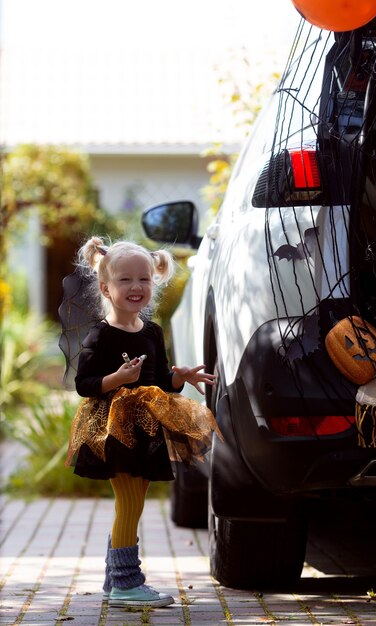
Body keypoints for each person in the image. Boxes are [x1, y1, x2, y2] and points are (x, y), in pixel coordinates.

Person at [61, 235, 219, 609]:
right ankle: (126, 584)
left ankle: (113, 578)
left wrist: (179, 378)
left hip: (146, 427)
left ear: (154, 281)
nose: (136, 287)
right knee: (129, 501)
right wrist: (118, 379)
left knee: (134, 500)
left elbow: (159, 379)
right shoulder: (100, 334)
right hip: (114, 427)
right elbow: (84, 384)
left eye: (144, 280)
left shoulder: (151, 332)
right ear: (105, 287)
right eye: (125, 280)